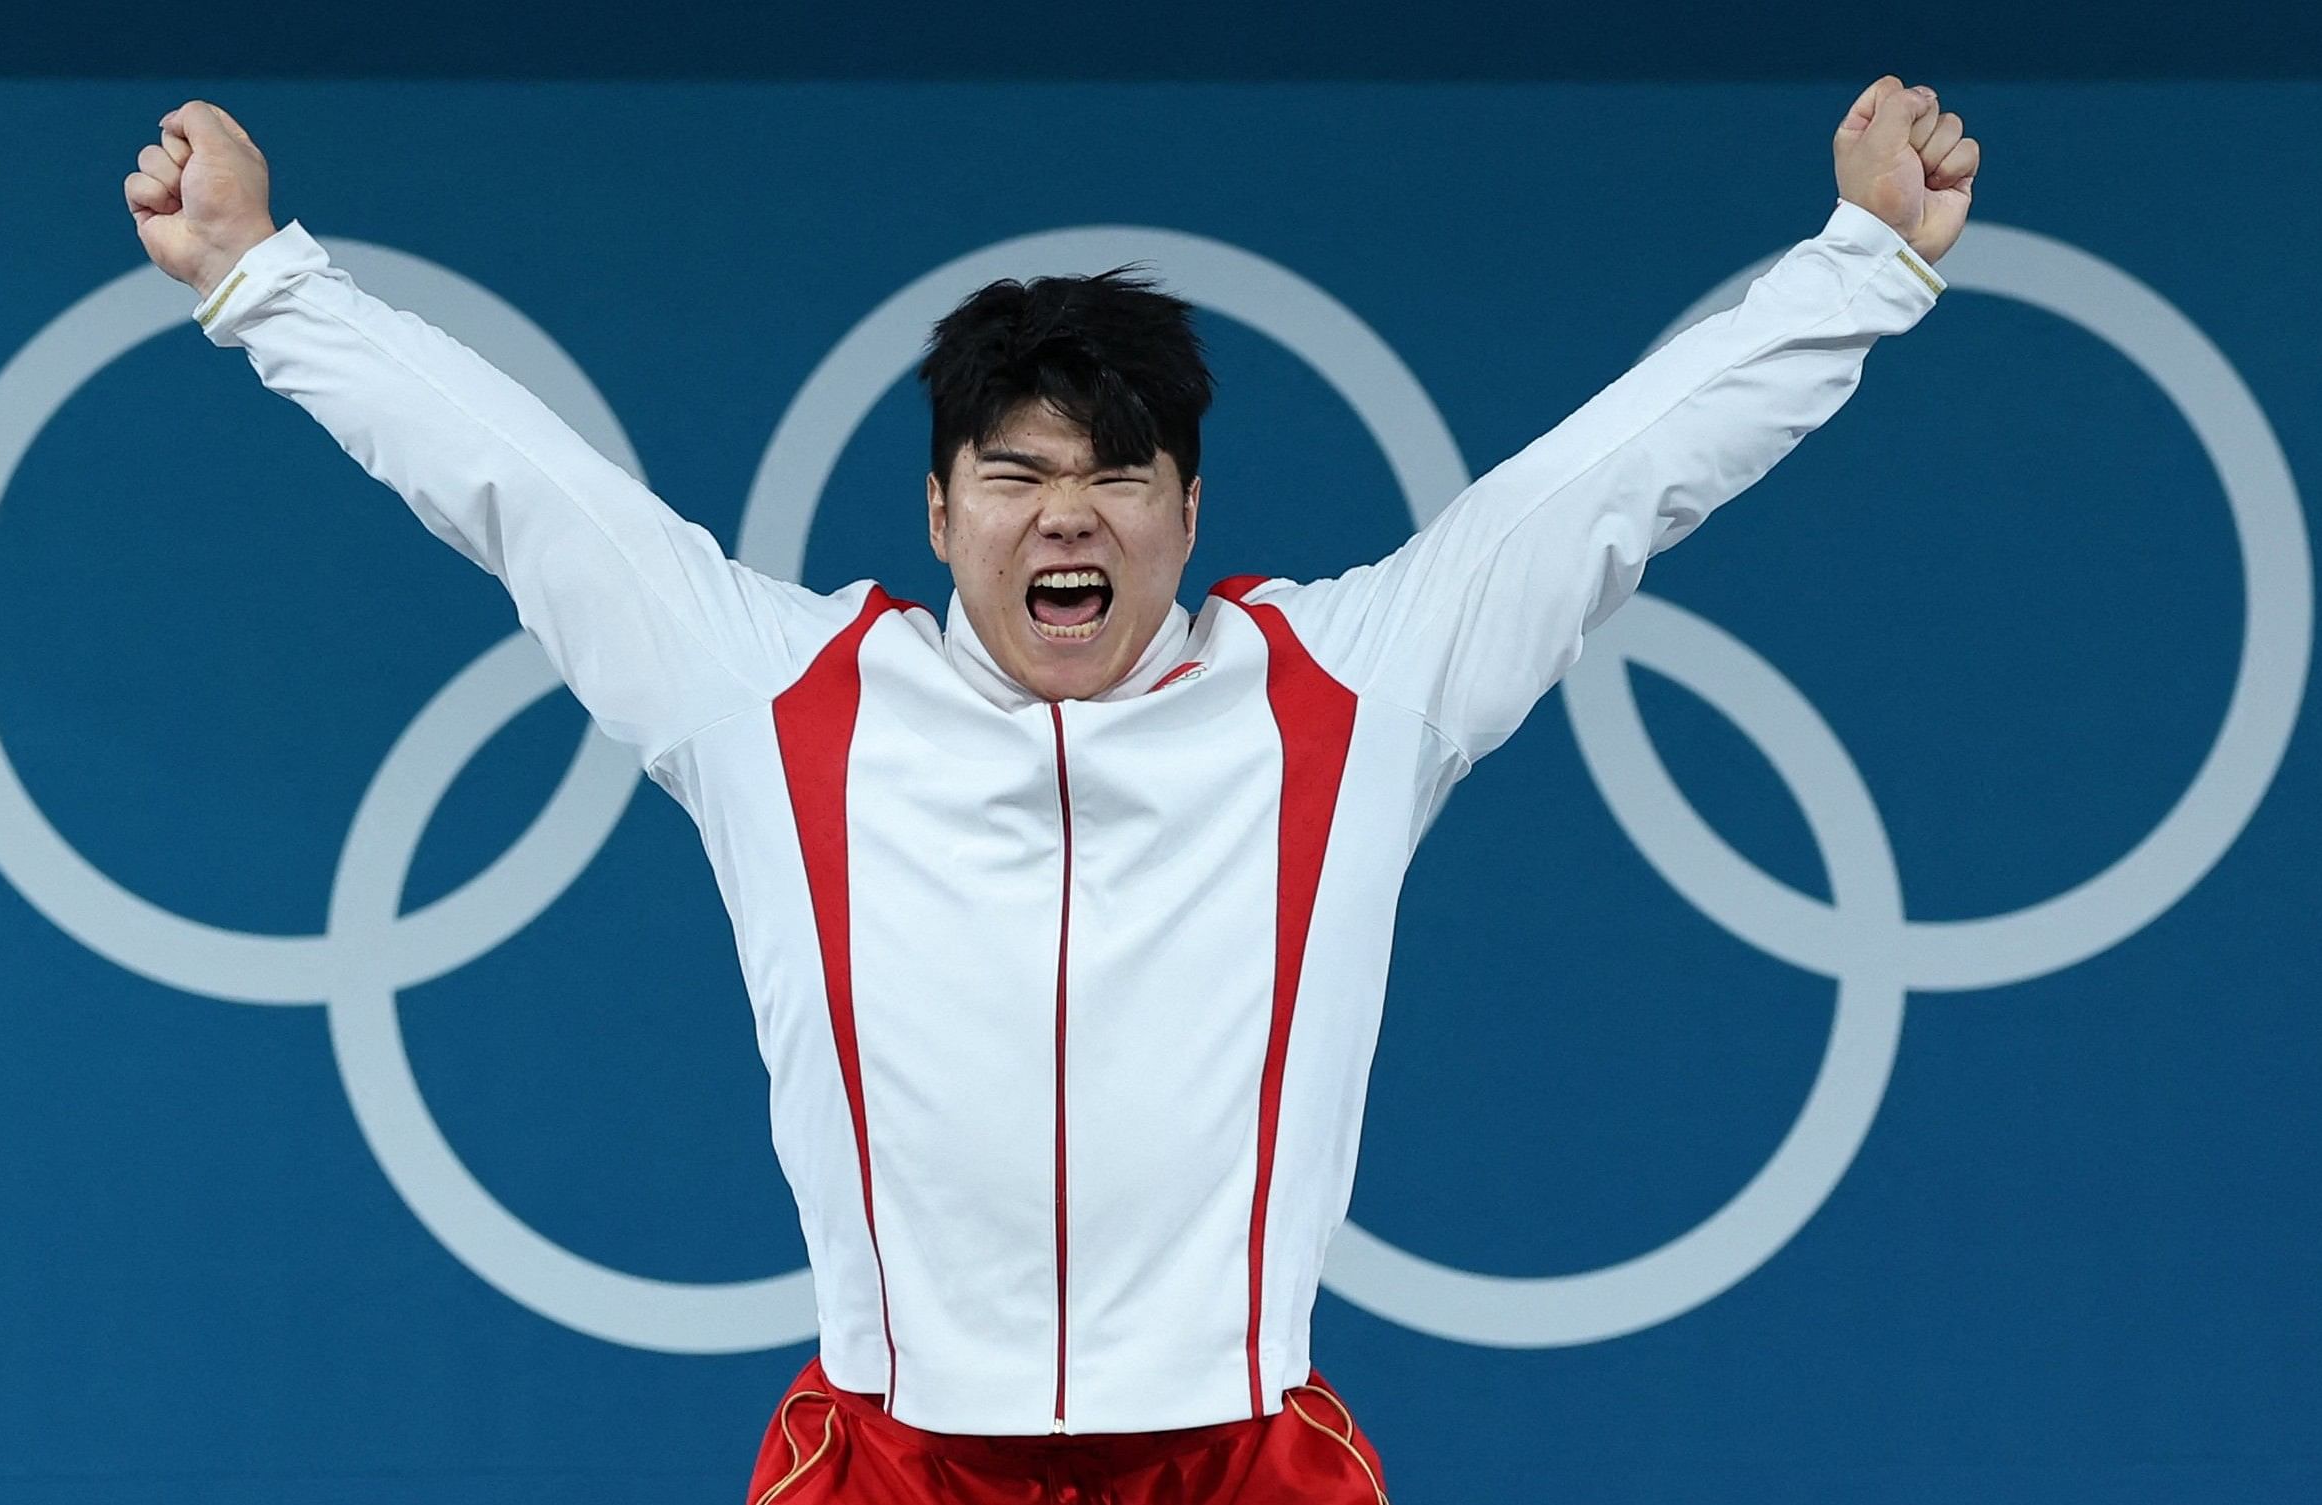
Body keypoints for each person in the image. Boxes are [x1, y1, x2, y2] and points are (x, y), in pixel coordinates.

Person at [122, 76, 1979, 1504]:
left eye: (1119, 473)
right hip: (895, 1455)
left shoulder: (1346, 687)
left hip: (1240, 1457)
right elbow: (518, 483)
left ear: (1188, 513)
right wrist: (266, 279)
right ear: (940, 514)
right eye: (1014, 474)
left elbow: (1606, 484)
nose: (1066, 512)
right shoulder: (779, 699)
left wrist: (1860, 268)